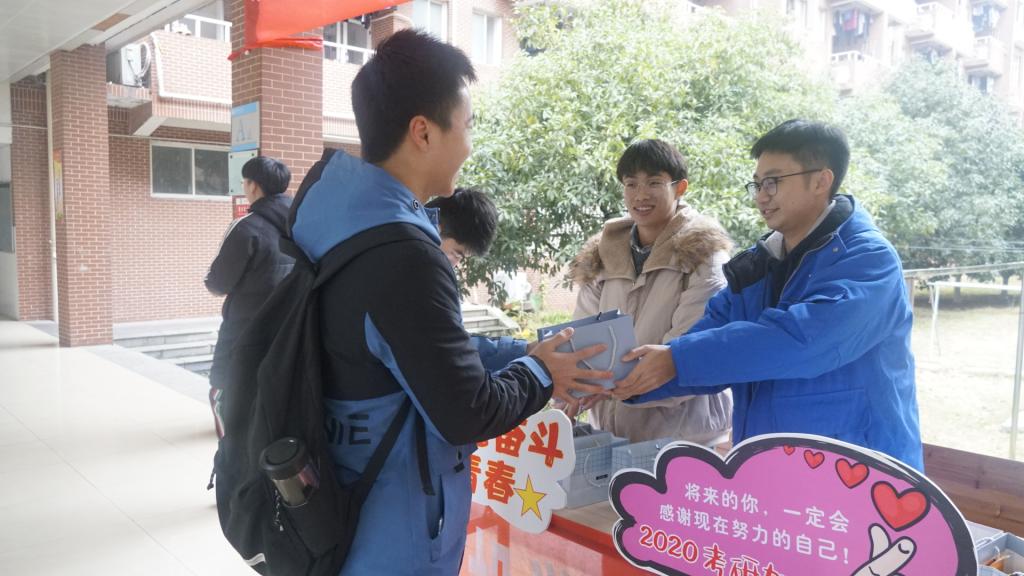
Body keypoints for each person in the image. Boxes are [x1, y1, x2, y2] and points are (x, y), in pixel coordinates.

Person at [289, 30, 610, 575]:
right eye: (466, 125)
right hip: (394, 529)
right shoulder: (404, 255)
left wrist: (522, 351)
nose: (468, 144)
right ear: (423, 132)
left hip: (338, 496)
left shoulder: (328, 215)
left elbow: (419, 349)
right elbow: (467, 412)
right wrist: (540, 373)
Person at [613, 120, 923, 470]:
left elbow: (800, 340)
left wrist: (676, 359)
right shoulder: (758, 267)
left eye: (774, 182)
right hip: (771, 471)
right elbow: (705, 338)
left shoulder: (868, 259)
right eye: (758, 184)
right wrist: (625, 381)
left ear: (821, 181)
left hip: (857, 475)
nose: (761, 195)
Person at [567, 139, 734, 445]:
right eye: (631, 184)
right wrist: (575, 388)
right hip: (612, 434)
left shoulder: (704, 256)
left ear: (680, 187)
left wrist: (611, 384)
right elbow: (583, 339)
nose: (640, 195)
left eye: (654, 183)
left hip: (686, 436)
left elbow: (689, 349)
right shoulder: (601, 256)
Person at [204, 156, 293, 438]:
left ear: (253, 186)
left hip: (243, 331)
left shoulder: (246, 227)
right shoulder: (302, 224)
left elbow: (218, 283)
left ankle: (233, 456)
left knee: (224, 394)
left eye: (244, 182)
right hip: (289, 328)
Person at [426, 187, 530, 372]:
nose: (455, 265)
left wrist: (524, 350)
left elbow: (453, 342)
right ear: (435, 228)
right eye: (456, 254)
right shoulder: (416, 276)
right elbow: (449, 353)